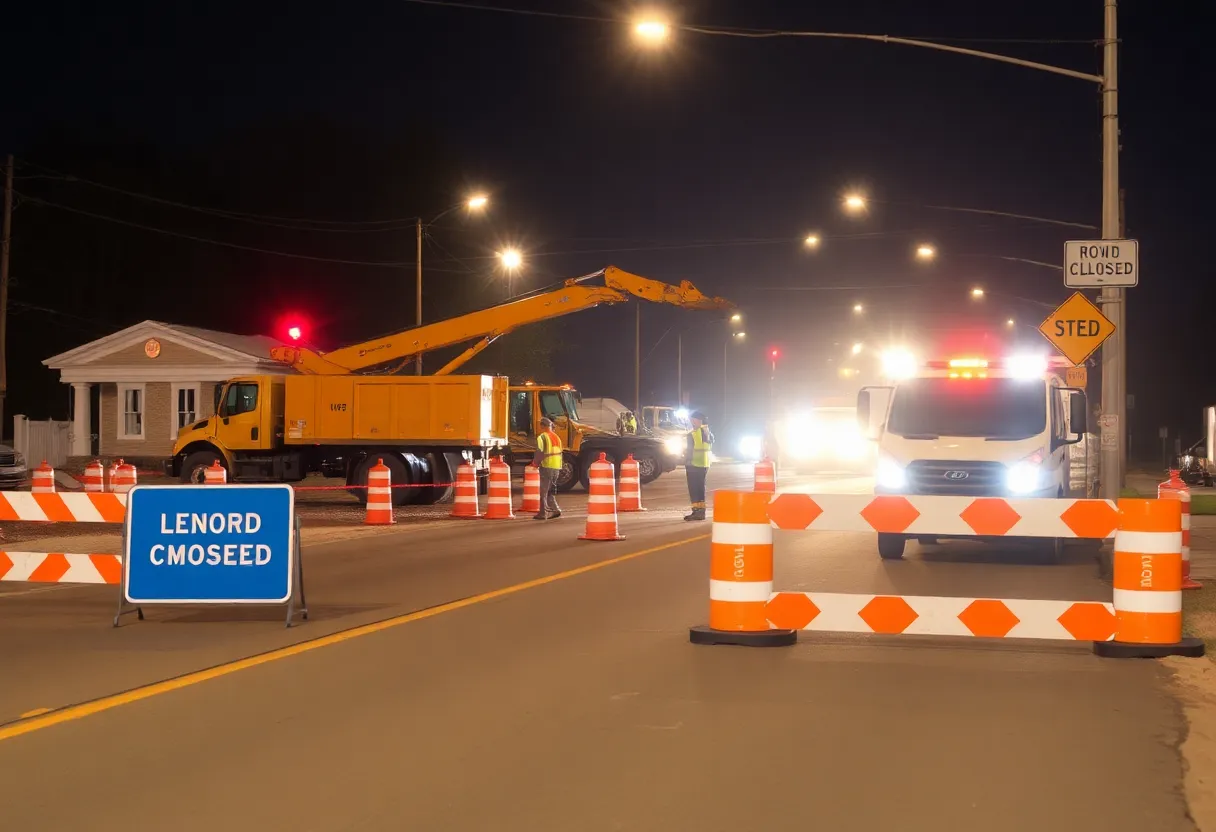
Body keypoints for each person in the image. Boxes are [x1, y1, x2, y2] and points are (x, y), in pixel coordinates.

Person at [533, 416, 564, 519]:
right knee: (550, 490)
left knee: (543, 491)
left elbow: (539, 451)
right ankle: (555, 510)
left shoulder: (542, 437)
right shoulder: (557, 437)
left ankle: (543, 513)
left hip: (547, 466)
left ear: (542, 426)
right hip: (557, 467)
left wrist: (535, 464)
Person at [684, 410, 713, 521]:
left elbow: (689, 451)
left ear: (697, 420)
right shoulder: (708, 433)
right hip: (705, 463)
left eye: (692, 419)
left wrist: (686, 461)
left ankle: (697, 512)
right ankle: (701, 512)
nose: (691, 421)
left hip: (694, 464)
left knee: (694, 489)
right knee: (700, 489)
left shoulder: (693, 434)